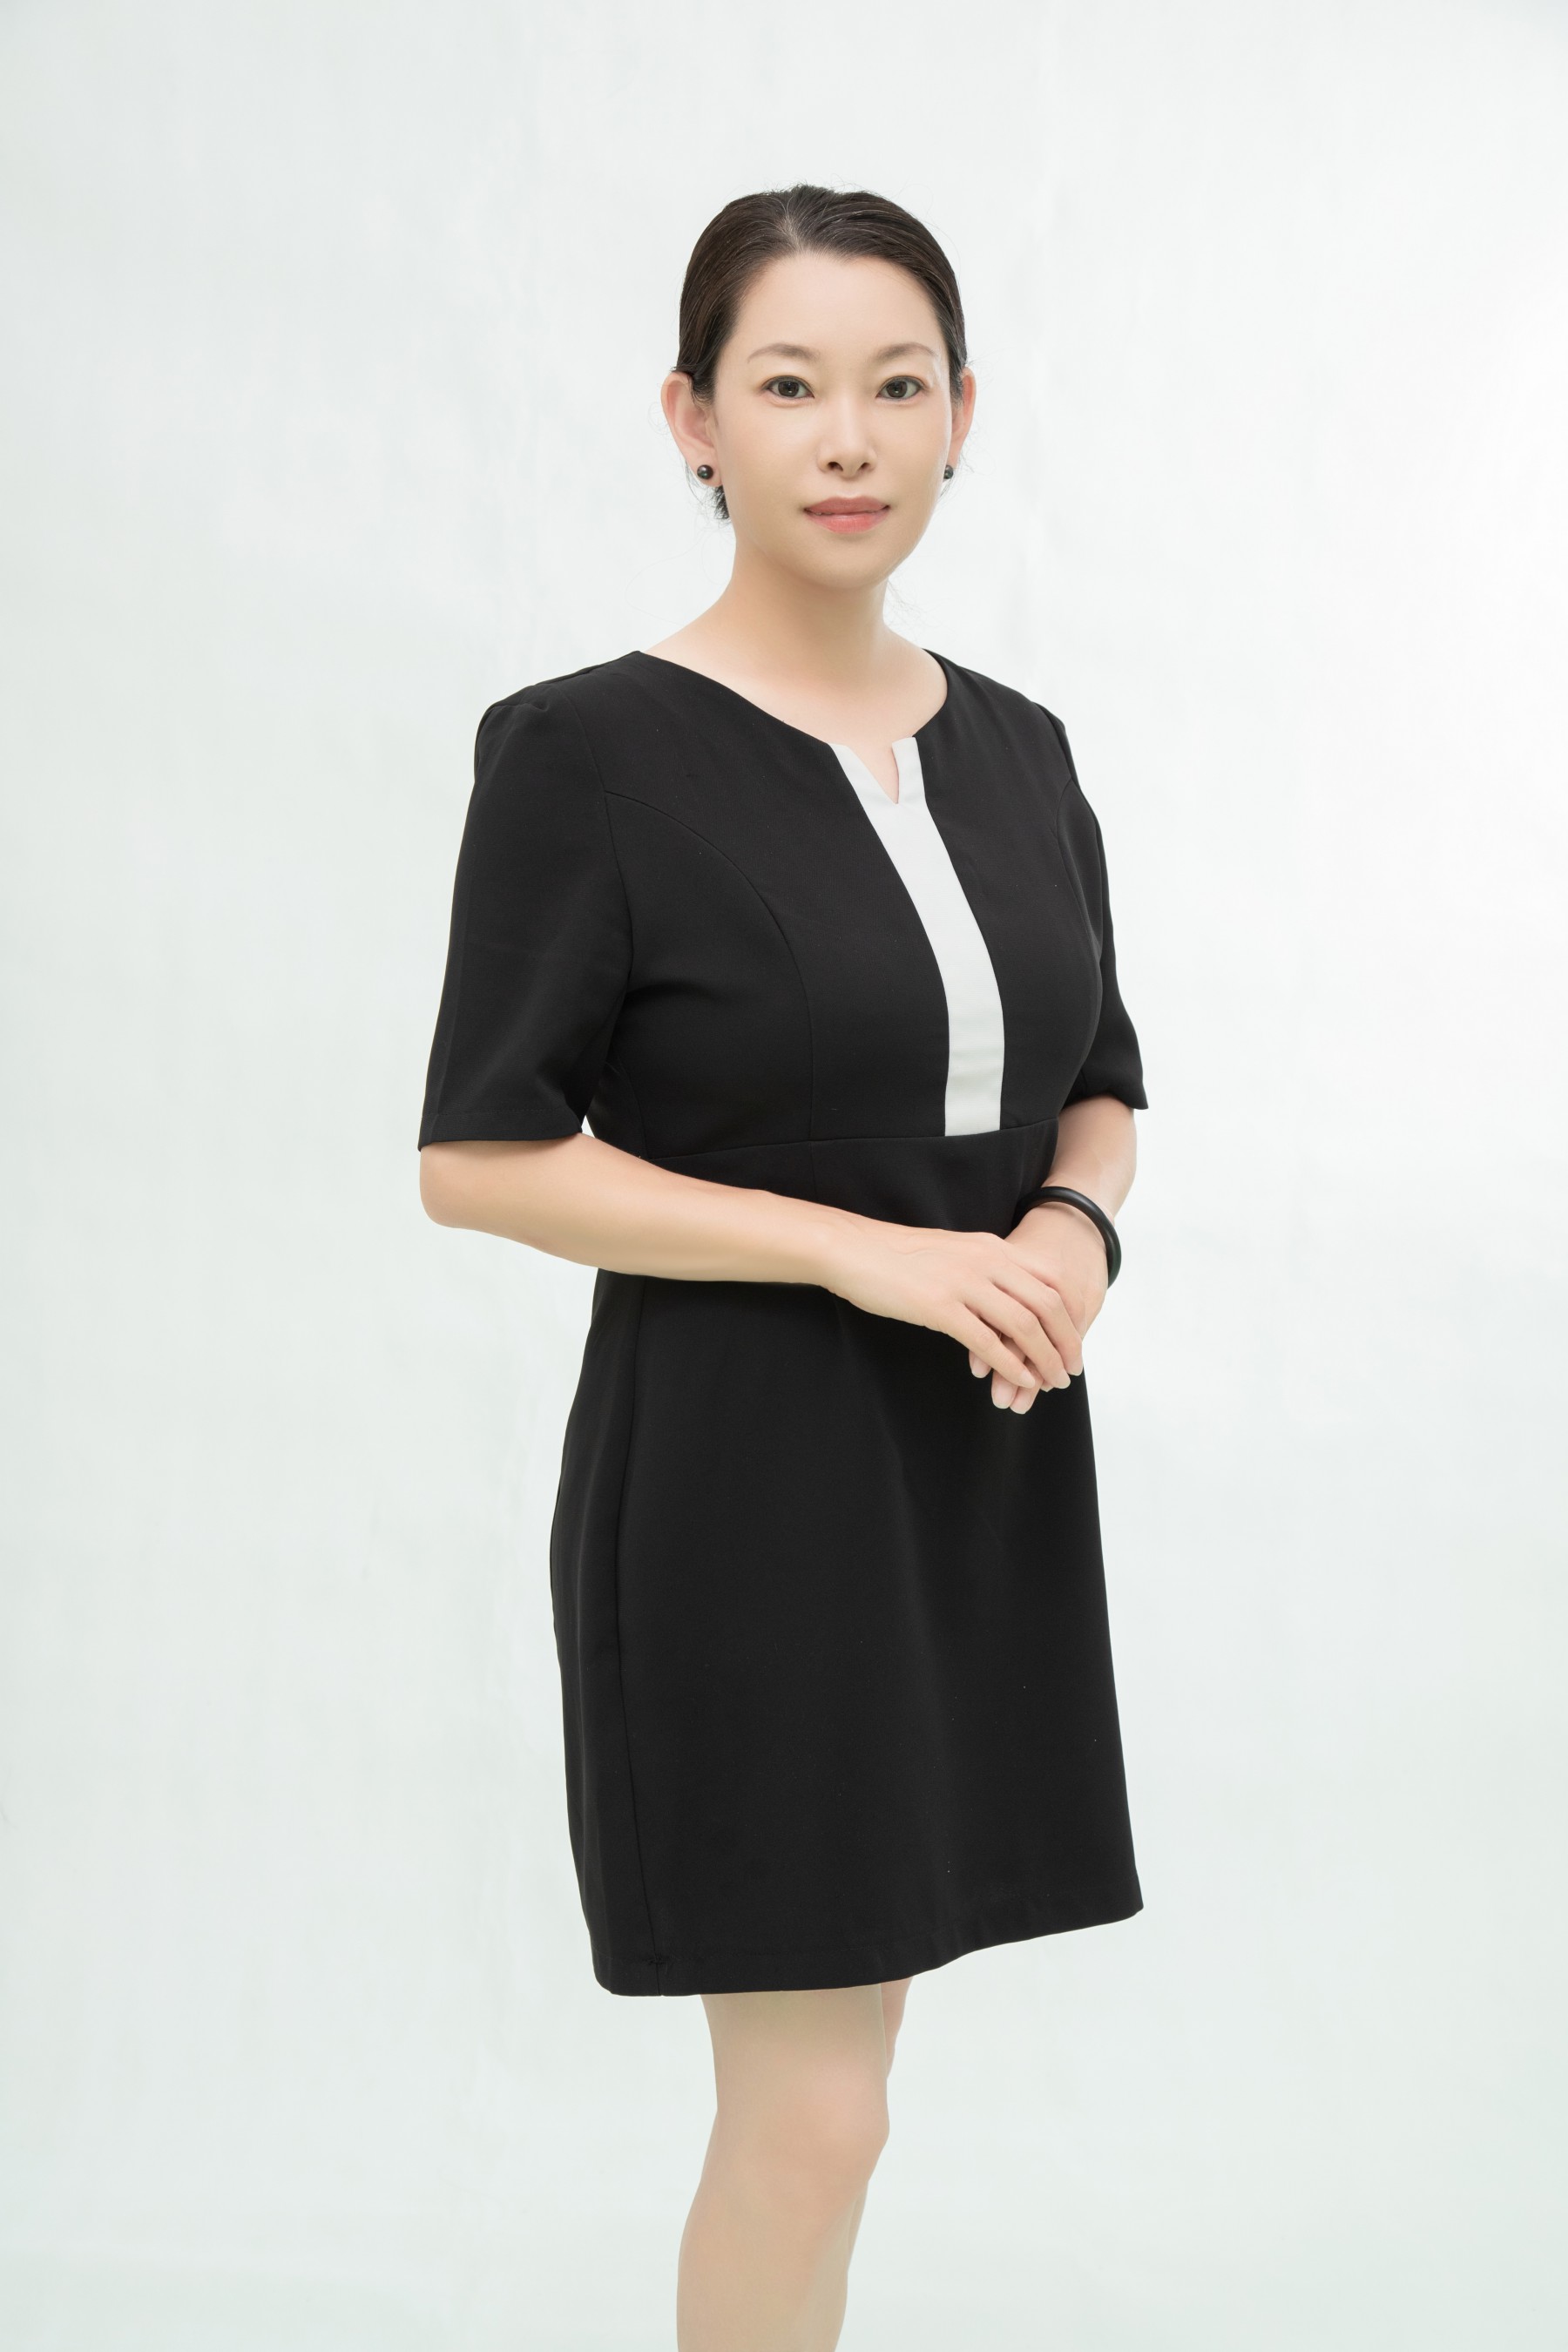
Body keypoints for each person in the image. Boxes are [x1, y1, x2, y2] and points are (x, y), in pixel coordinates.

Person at [416, 182, 1149, 2352]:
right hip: (747, 1489)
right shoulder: (588, 752)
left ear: (962, 418)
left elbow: (1100, 1082)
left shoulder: (1019, 749)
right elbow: (480, 1156)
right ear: (694, 421)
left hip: (979, 1474)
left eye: (897, 385)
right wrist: (862, 1260)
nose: (849, 436)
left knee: (857, 2095)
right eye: (790, 384)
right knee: (813, 2121)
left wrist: (1067, 1227)